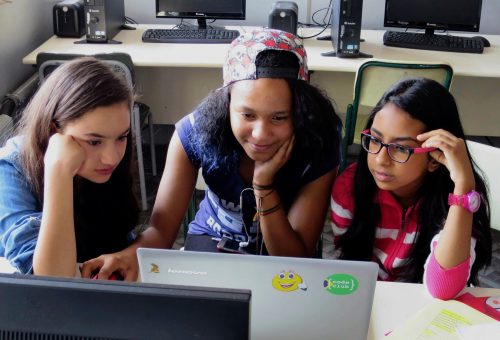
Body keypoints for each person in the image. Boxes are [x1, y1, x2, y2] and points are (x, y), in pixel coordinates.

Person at [81, 28, 342, 278]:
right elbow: (161, 230)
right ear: (227, 103)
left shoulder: (318, 143)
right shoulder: (194, 132)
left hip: (280, 258)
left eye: (279, 117)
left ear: (300, 110)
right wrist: (127, 256)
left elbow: (293, 261)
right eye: (247, 115)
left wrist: (264, 188)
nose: (261, 134)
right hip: (212, 244)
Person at [330, 77, 492, 299]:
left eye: (400, 148)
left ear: (435, 158)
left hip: (426, 306)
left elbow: (443, 289)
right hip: (368, 300)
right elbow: (349, 269)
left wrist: (463, 188)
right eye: (375, 140)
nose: (380, 160)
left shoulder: (461, 198)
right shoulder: (350, 187)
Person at [0, 57, 139, 278]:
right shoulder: (12, 167)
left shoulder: (103, 163)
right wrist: (59, 171)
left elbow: (119, 239)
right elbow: (51, 280)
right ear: (54, 131)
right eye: (94, 142)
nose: (111, 158)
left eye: (121, 137)